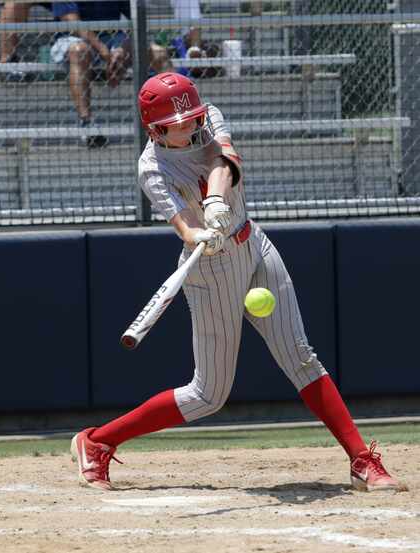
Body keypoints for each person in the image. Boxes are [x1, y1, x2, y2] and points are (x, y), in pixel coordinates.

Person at [70, 72, 403, 493]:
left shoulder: (209, 117)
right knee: (209, 395)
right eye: (181, 123)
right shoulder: (151, 167)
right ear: (154, 128)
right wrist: (201, 235)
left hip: (254, 244)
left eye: (193, 117)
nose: (192, 126)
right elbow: (185, 227)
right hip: (211, 269)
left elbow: (225, 163)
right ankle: (97, 441)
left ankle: (361, 461)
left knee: (301, 358)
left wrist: (214, 200)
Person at [49, 2, 137, 148]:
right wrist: (102, 49)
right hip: (71, 36)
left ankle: (174, 119)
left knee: (155, 51)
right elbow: (71, 21)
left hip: (111, 36)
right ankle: (86, 122)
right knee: (79, 51)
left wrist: (124, 48)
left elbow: (137, 19)